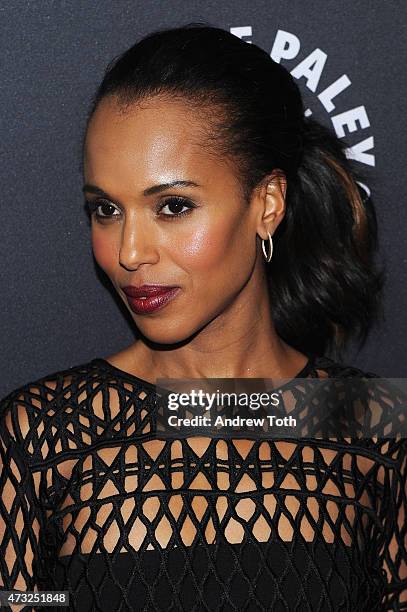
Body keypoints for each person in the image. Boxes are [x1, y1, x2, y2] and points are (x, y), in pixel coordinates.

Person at [0, 22, 405, 612]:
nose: (129, 252)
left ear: (266, 204)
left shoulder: (373, 427)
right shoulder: (39, 438)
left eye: (173, 206)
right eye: (106, 209)